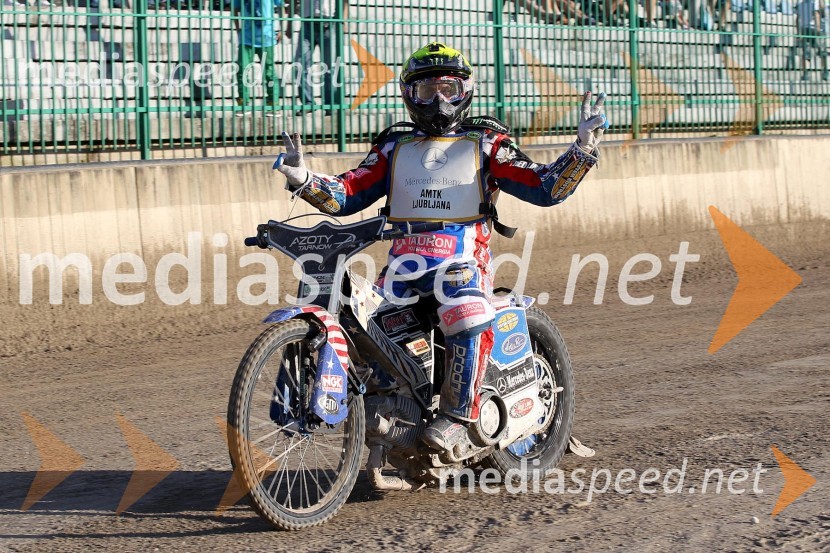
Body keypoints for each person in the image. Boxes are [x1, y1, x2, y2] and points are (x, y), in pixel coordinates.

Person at [274, 42, 607, 451]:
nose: (438, 101)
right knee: (355, 320)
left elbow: (544, 186)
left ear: (465, 90)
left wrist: (582, 149)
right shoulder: (393, 147)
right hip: (400, 272)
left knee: (465, 311)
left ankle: (458, 415)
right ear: (408, 96)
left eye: (448, 89)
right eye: (426, 91)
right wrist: (302, 178)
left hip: (462, 265)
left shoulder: (487, 141)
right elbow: (349, 192)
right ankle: (385, 417)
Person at [289, 0, 348, 114]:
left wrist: (343, 21)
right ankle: (308, 103)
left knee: (330, 67)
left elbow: (345, 1)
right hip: (308, 22)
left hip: (329, 21)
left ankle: (331, 105)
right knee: (300, 64)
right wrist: (289, 24)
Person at [232, 0, 282, 115]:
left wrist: (281, 28)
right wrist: (238, 29)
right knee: (242, 69)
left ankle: (273, 105)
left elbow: (281, 6)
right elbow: (235, 9)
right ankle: (243, 104)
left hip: (267, 37)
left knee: (269, 72)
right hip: (247, 37)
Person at [788, 0, 829, 80]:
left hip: (805, 29)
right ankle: (824, 72)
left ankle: (806, 74)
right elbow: (817, 14)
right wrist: (818, 29)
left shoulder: (800, 3)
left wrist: (798, 32)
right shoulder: (815, 1)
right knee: (821, 52)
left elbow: (798, 18)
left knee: (806, 53)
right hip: (814, 29)